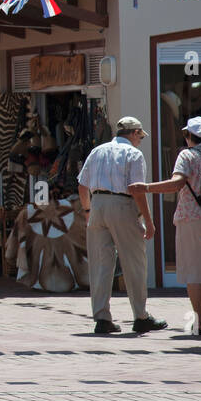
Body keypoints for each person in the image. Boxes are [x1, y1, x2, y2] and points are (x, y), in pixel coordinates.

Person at [129, 116, 201, 336]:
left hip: (191, 219)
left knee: (194, 272)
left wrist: (146, 188)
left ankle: (199, 322)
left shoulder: (187, 155)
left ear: (190, 137)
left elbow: (178, 183)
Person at [77, 116, 166, 335]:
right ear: (134, 133)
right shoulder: (133, 154)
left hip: (97, 204)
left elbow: (82, 185)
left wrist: (88, 210)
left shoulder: (97, 151)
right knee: (134, 261)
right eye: (140, 136)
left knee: (100, 263)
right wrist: (148, 220)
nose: (140, 141)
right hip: (122, 204)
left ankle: (101, 318)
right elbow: (137, 189)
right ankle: (141, 316)